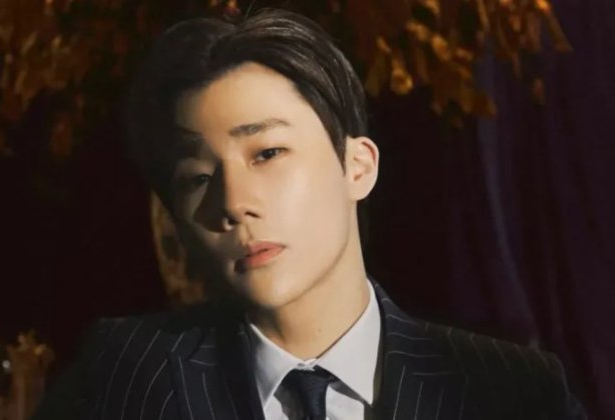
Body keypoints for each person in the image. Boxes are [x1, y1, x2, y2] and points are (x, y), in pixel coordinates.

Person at [33, 8, 585, 420]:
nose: (233, 202)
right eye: (198, 178)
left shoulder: (511, 390)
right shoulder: (126, 374)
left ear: (357, 166)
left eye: (268, 153)